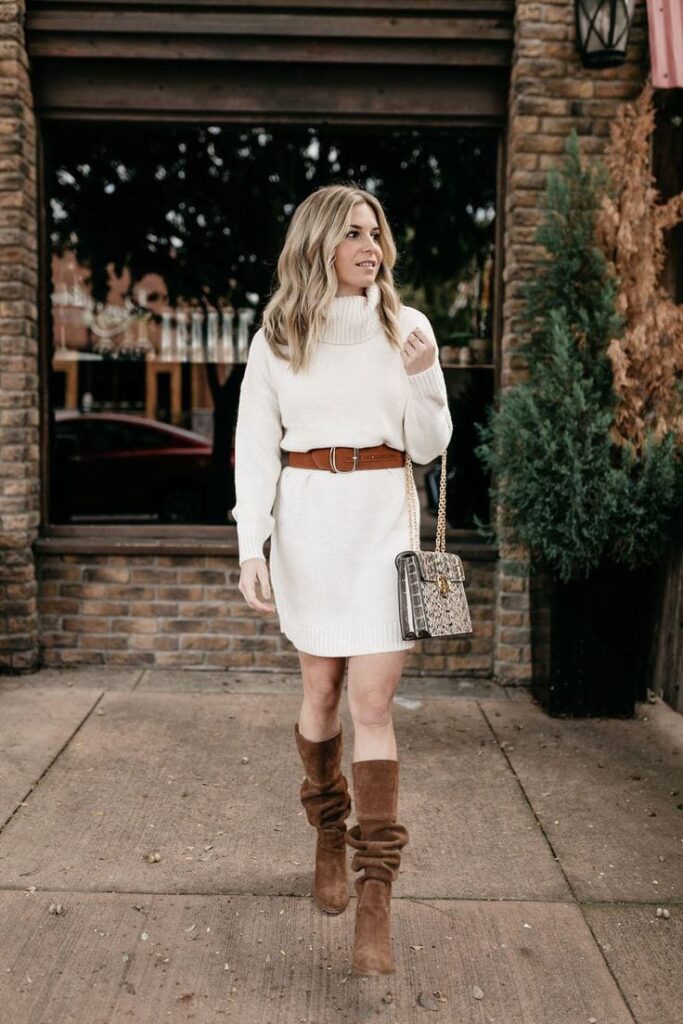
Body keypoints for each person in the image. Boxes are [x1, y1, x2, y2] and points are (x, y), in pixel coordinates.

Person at [231, 183, 453, 976]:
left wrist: (426, 378)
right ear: (319, 243)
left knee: (373, 702)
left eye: (376, 232)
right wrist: (250, 541)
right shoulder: (280, 334)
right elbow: (255, 444)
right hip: (308, 527)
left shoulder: (409, 326)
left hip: (381, 527)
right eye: (354, 233)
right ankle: (328, 825)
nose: (370, 245)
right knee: (320, 693)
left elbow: (428, 446)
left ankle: (375, 892)